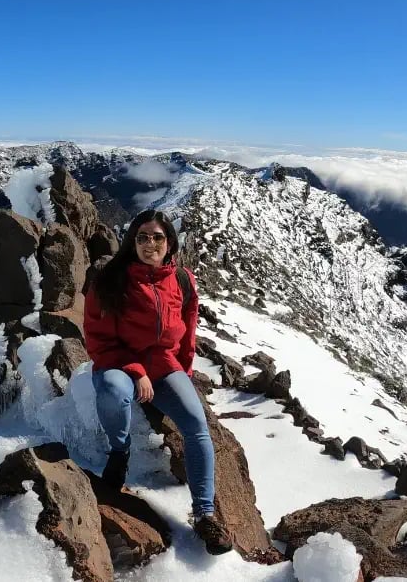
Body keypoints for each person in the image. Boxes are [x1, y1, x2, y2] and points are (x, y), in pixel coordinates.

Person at [82, 209, 233, 555]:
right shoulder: (110, 280)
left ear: (169, 244)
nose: (150, 244)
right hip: (119, 362)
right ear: (132, 241)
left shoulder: (181, 279)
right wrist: (137, 371)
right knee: (114, 391)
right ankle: (119, 451)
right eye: (143, 237)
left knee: (196, 426)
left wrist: (183, 371)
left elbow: (188, 326)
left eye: (158, 237)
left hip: (163, 365)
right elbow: (98, 341)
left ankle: (205, 515)